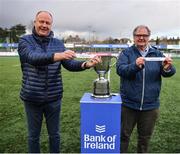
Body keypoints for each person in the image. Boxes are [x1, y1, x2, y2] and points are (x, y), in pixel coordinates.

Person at [18, 11, 101, 153]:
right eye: (41, 22)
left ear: (51, 25)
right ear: (35, 23)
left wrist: (86, 64)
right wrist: (58, 55)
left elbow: (69, 64)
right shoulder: (25, 41)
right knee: (33, 136)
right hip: (32, 97)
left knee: (54, 135)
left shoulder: (57, 43)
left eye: (47, 23)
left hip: (54, 97)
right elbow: (32, 57)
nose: (44, 25)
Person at [116, 25, 176, 153]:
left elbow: (169, 71)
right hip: (128, 105)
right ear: (134, 37)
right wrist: (135, 66)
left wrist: (167, 68)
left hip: (150, 106)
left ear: (149, 37)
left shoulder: (157, 53)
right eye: (138, 35)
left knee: (144, 139)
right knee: (123, 137)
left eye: (144, 35)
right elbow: (121, 70)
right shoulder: (126, 53)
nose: (141, 38)